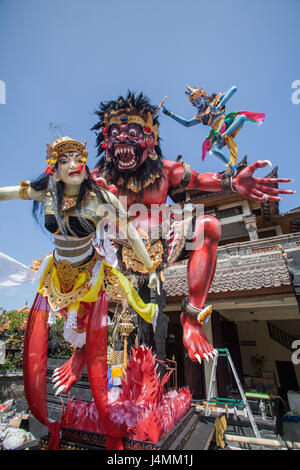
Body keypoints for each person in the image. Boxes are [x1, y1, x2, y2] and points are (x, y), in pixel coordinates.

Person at [91, 91, 295, 365]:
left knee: (208, 225)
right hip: (118, 251)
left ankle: (191, 315)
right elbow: (65, 195)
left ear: (149, 139)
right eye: (115, 132)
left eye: (133, 131)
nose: (123, 138)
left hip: (162, 244)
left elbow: (200, 178)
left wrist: (233, 183)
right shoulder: (99, 175)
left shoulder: (165, 170)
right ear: (106, 141)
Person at [0, 136, 161, 446]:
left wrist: (151, 271)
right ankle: (74, 359)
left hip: (88, 275)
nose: (73, 165)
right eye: (64, 161)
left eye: (77, 158)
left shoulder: (102, 200)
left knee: (85, 324)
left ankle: (83, 360)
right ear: (55, 171)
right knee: (61, 322)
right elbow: (10, 192)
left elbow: (131, 235)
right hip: (56, 275)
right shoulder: (47, 192)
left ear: (85, 165)